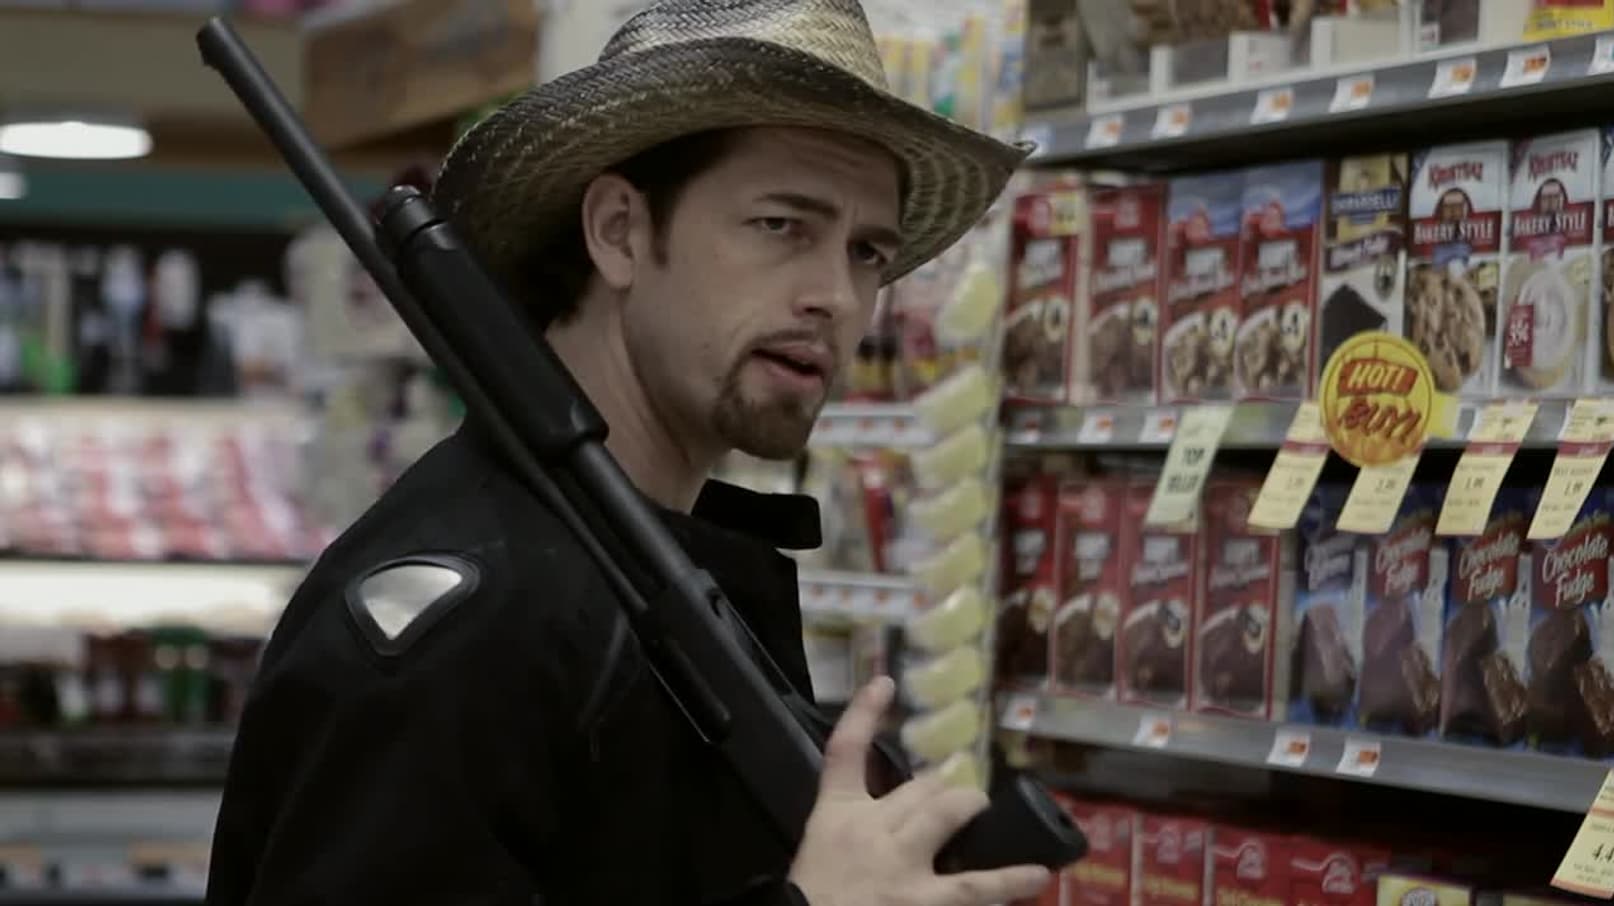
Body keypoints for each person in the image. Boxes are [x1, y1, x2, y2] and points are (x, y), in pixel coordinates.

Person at [204, 1, 1042, 903]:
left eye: (868, 252)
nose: (836, 296)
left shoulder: (647, 577)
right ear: (618, 231)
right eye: (781, 226)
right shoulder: (476, 622)